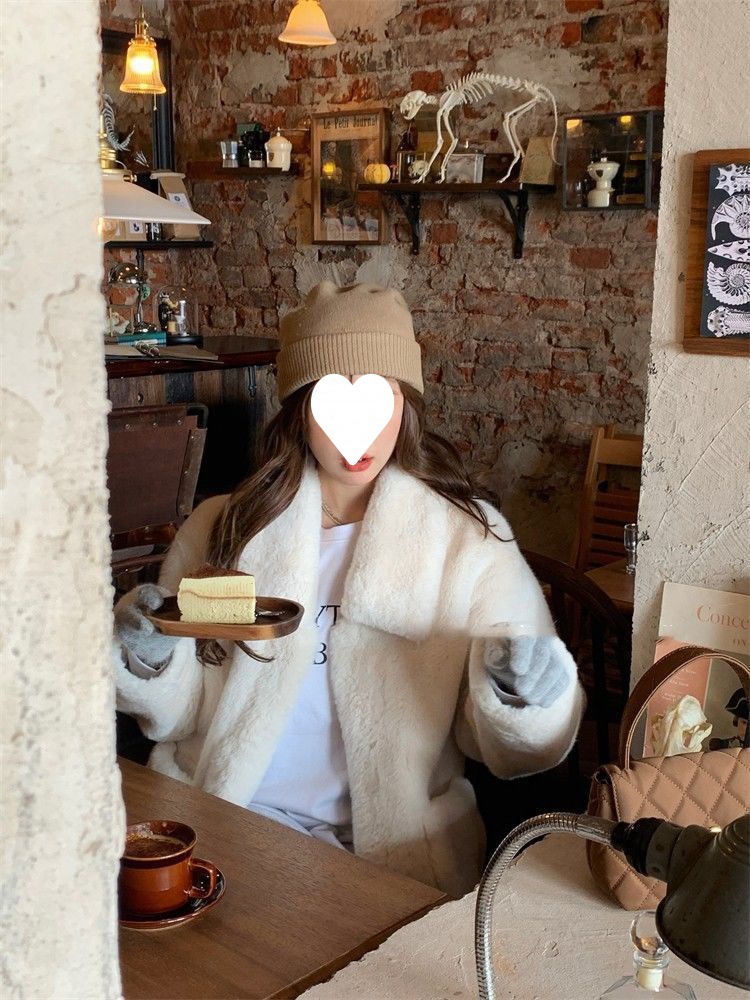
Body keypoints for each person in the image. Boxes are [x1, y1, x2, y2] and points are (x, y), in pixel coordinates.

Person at [113, 281, 584, 897]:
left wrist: (524, 693)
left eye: (380, 396)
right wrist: (148, 661)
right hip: (223, 826)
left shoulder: (468, 542)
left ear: (404, 404)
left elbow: (508, 749)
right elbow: (176, 716)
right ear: (299, 409)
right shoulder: (221, 527)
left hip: (389, 858)